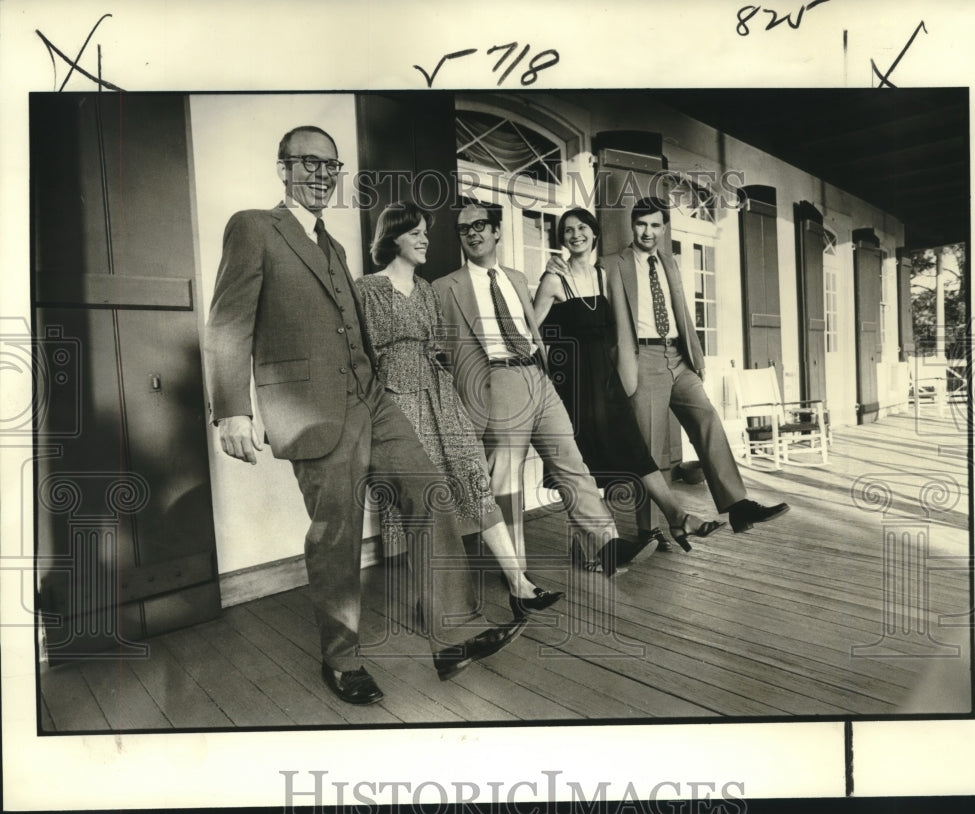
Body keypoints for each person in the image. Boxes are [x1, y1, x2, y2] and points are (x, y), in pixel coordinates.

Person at [203, 126, 525, 706]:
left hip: (370, 399)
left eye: (331, 166)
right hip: (310, 410)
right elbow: (228, 321)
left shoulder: (334, 246)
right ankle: (341, 659)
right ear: (283, 168)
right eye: (308, 163)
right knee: (338, 536)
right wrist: (232, 411)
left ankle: (452, 637)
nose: (322, 174)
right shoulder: (253, 226)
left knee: (431, 492)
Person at [355, 201, 563, 618]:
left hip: (441, 394)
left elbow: (440, 349)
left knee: (475, 483)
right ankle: (433, 598)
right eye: (415, 232)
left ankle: (520, 584)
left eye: (425, 232)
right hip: (398, 402)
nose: (424, 239)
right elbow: (365, 358)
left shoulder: (429, 289)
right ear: (393, 236)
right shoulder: (367, 289)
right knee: (421, 499)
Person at [432, 202, 657, 577]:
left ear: (497, 231)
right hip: (496, 383)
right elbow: (440, 351)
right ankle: (515, 572)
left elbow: (540, 329)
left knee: (574, 467)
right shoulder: (444, 288)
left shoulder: (519, 278)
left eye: (481, 225)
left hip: (539, 379)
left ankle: (608, 546)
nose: (473, 233)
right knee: (507, 483)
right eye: (464, 229)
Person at [532, 207, 725, 552]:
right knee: (584, 464)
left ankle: (677, 518)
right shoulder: (553, 280)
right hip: (573, 385)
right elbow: (530, 332)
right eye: (568, 230)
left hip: (607, 381)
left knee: (634, 450)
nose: (575, 235)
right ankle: (590, 545)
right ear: (562, 239)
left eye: (582, 228)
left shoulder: (604, 275)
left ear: (593, 234)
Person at [601, 196, 789, 536]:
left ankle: (738, 505)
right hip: (643, 360)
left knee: (708, 419)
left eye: (655, 225)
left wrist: (696, 357)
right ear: (632, 225)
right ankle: (649, 530)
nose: (648, 231)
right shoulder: (612, 264)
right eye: (642, 224)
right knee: (648, 448)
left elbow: (682, 312)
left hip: (679, 357)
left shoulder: (669, 262)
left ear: (663, 227)